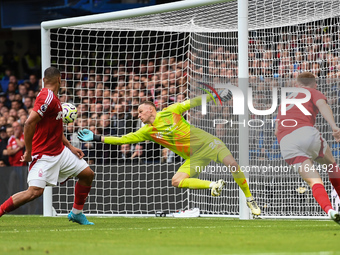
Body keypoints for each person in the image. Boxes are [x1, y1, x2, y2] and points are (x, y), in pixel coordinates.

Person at [78, 89, 261, 216]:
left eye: (141, 112)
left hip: (209, 144)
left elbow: (195, 102)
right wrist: (96, 138)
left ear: (151, 109)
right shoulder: (146, 131)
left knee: (233, 165)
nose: (138, 115)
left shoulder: (171, 111)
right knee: (176, 181)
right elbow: (123, 140)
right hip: (195, 157)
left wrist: (215, 96)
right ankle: (212, 185)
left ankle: (249, 199)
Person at [0, 67, 95, 225]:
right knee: (34, 192)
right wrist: (29, 151)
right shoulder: (47, 97)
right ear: (59, 80)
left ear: (44, 80)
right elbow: (29, 122)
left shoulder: (54, 98)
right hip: (43, 155)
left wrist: (70, 147)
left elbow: (55, 128)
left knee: (87, 174)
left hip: (60, 152)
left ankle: (76, 213)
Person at [275, 71, 340, 224]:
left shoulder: (285, 101)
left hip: (286, 142)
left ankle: (329, 210)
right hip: (306, 132)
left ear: (296, 85)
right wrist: (334, 126)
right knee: (331, 165)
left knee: (314, 181)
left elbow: (277, 129)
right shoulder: (312, 92)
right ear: (315, 85)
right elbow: (322, 105)